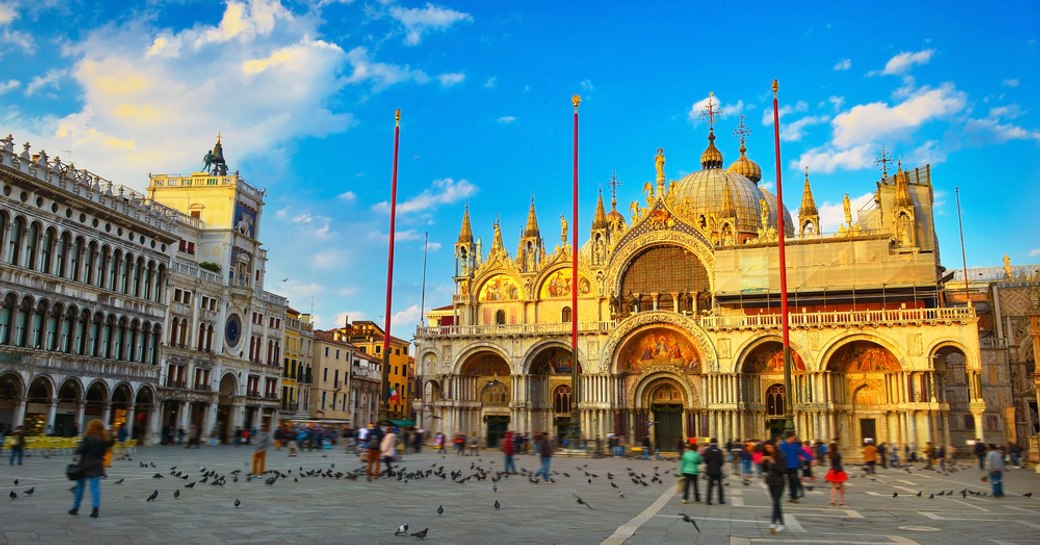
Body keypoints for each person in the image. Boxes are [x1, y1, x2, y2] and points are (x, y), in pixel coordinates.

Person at [68, 419, 115, 518]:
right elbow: (111, 442)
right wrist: (109, 433)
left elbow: (81, 449)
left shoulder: (88, 437)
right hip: (98, 463)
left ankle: (75, 508)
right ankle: (95, 510)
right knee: (95, 488)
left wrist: (77, 450)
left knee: (80, 487)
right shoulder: (104, 439)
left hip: (85, 463)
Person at [762, 441, 787, 533]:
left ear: (774, 446)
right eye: (767, 448)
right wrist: (764, 462)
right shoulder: (768, 455)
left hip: (779, 482)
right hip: (770, 482)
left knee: (776, 502)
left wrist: (773, 463)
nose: (768, 450)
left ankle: (772, 523)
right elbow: (766, 469)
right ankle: (782, 524)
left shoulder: (781, 455)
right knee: (777, 503)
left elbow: (783, 470)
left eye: (769, 447)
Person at [779, 432, 810, 502]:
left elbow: (803, 452)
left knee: (794, 482)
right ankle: (792, 497)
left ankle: (795, 497)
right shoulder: (783, 445)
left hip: (794, 467)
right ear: (790, 437)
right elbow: (778, 455)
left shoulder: (796, 445)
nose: (794, 438)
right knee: (789, 482)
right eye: (793, 437)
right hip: (786, 467)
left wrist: (811, 459)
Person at [703, 438, 725, 505]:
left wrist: (709, 464)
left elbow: (705, 460)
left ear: (710, 442)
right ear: (717, 442)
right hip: (718, 470)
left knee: (710, 485)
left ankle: (708, 500)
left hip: (710, 469)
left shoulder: (707, 450)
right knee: (720, 486)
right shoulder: (719, 450)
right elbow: (721, 461)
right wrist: (718, 465)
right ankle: (721, 500)